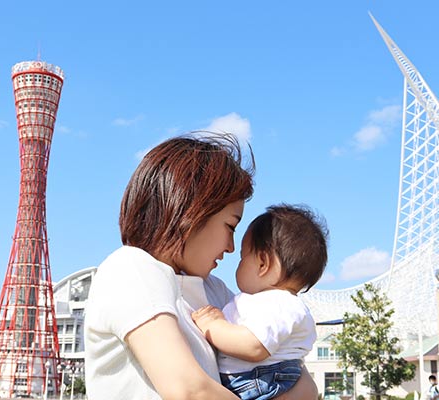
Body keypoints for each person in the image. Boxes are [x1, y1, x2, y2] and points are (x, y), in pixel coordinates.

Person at [84, 134, 318, 400]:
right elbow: (189, 390)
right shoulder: (132, 268)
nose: (231, 247)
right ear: (191, 211)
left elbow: (300, 382)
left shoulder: (214, 290)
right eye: (230, 225)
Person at [192, 204, 328, 399]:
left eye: (242, 257)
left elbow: (253, 346)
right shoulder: (270, 302)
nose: (236, 260)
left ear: (263, 264)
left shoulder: (279, 304)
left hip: (258, 382)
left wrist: (212, 325)